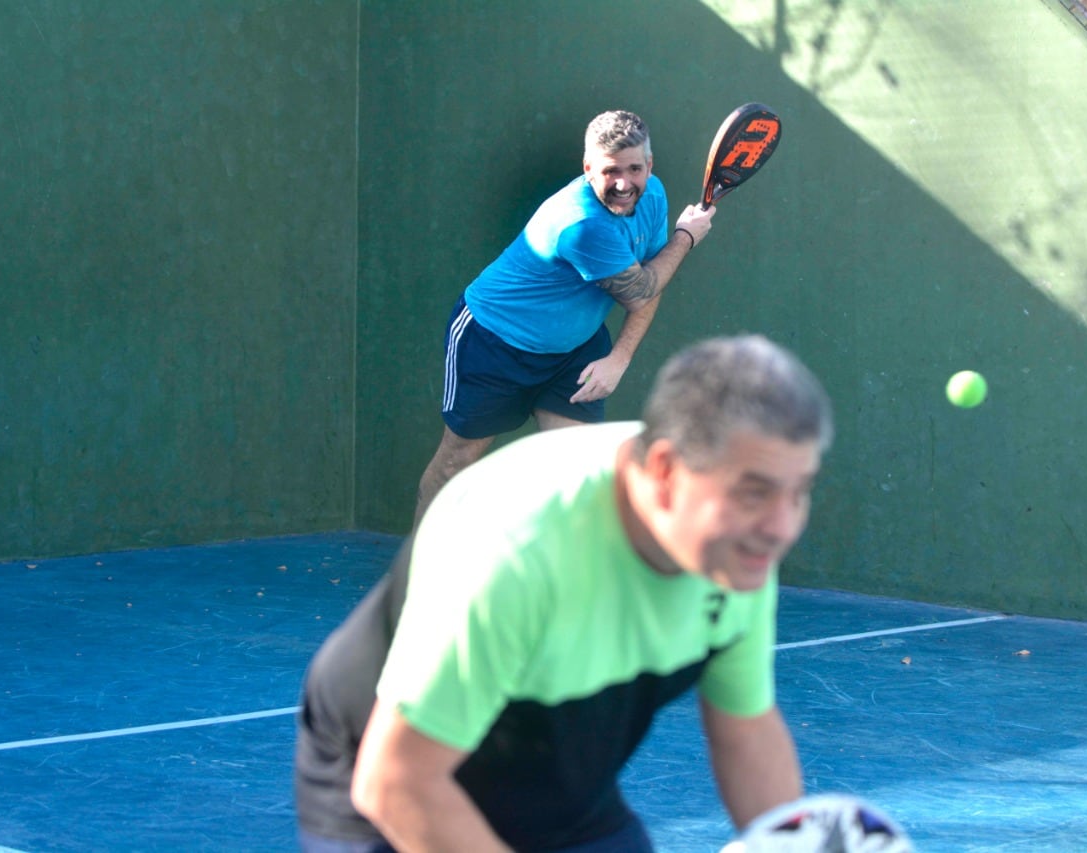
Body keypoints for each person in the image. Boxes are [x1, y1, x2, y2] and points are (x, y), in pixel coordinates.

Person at [294, 334, 835, 852]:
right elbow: (397, 784)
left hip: (555, 771)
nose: (781, 526)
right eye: (753, 492)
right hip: (391, 778)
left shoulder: (735, 554)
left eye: (799, 492)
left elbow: (746, 731)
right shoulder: (514, 550)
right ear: (667, 470)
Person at [413, 109, 717, 525]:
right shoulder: (582, 223)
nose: (624, 184)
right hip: (492, 342)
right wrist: (687, 235)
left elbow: (652, 279)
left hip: (574, 350)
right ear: (588, 168)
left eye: (634, 169)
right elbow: (641, 289)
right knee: (457, 460)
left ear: (650, 166)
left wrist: (620, 357)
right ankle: (418, 568)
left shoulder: (654, 196)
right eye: (610, 171)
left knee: (578, 473)